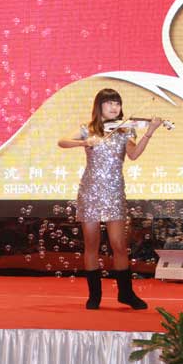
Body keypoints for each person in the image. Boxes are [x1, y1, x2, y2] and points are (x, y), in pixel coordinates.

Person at [58, 88, 161, 310]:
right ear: (99, 106)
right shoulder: (88, 129)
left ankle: (126, 294)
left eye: (117, 103)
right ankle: (94, 296)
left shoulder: (125, 130)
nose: (114, 107)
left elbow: (133, 155)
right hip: (90, 193)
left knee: (119, 245)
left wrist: (149, 132)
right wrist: (85, 143)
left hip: (114, 193)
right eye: (110, 103)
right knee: (91, 244)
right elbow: (62, 141)